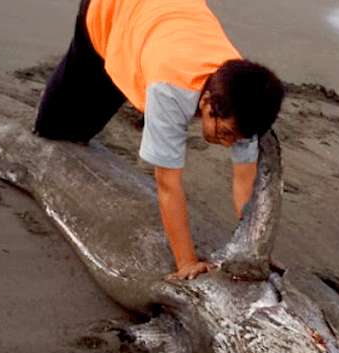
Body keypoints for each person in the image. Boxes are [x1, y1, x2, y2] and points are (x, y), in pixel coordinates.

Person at [34, 0, 285, 281]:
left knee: (100, 109)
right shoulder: (170, 90)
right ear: (207, 101)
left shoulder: (244, 96)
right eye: (224, 133)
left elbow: (244, 179)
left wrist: (251, 244)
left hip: (161, 22)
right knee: (55, 130)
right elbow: (167, 184)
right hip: (111, 11)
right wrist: (186, 262)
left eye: (235, 138)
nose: (228, 144)